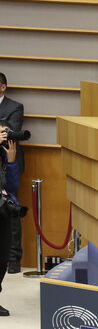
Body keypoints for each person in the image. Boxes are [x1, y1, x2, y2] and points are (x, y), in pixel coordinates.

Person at [0, 72, 24, 275]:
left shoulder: (14, 106)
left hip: (9, 160)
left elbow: (11, 130)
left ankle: (14, 258)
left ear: (3, 87)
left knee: (11, 210)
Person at [0, 125, 20, 317]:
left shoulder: (4, 155)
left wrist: (12, 161)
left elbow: (12, 186)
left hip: (2, 211)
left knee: (2, 257)